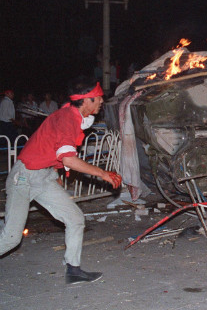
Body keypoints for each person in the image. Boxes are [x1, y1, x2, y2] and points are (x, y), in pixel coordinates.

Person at [0, 77, 122, 285]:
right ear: (86, 100)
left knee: (75, 219)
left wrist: (55, 176)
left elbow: (51, 150)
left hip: (43, 176)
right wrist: (102, 173)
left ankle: (73, 270)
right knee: (11, 238)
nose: (102, 101)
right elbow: (68, 158)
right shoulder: (67, 118)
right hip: (25, 177)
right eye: (98, 98)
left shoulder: (71, 116)